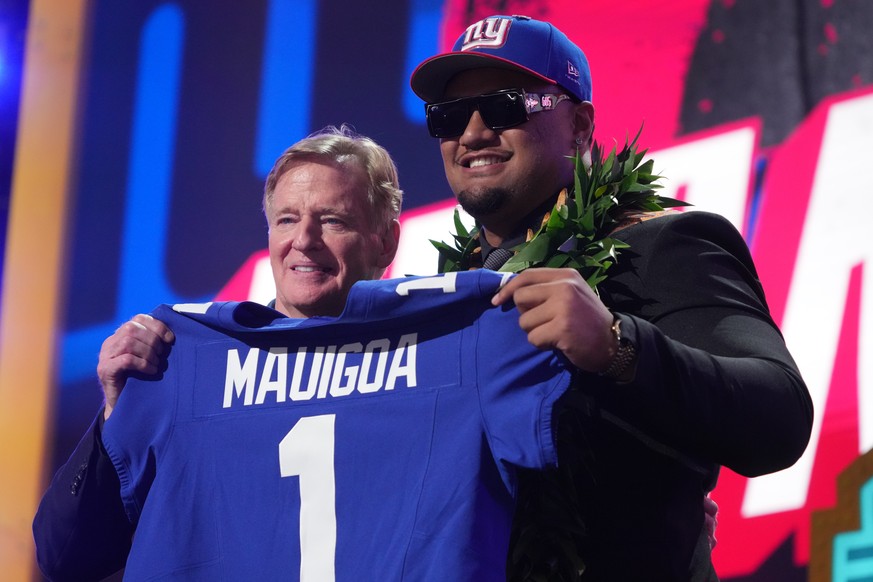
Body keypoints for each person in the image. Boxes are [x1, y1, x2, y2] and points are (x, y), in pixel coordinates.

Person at [407, 14, 812, 581]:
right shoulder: (444, 303)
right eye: (449, 115)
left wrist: (618, 347)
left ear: (578, 125)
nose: (472, 133)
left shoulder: (661, 245)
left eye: (504, 105)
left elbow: (780, 419)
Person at [33, 125, 404, 580]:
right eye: (287, 220)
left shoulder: (425, 359)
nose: (304, 240)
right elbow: (64, 556)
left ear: (386, 241)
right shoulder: (182, 363)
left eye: (332, 220)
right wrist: (118, 414)